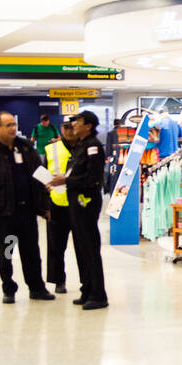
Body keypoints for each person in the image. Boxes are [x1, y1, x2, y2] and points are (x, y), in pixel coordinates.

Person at [0, 111, 55, 304]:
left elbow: (40, 176)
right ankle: (8, 289)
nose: (13, 128)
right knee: (6, 253)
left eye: (14, 125)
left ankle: (36, 288)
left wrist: (45, 205)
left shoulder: (25, 149)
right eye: (8, 125)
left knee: (31, 253)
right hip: (5, 215)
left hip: (27, 213)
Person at [51, 110, 107, 309]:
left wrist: (65, 181)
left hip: (86, 202)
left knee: (90, 248)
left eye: (78, 122)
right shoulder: (81, 145)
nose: (74, 125)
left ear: (89, 126)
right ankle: (87, 290)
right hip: (75, 202)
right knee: (82, 249)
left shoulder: (93, 146)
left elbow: (93, 178)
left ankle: (99, 295)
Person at [43, 119, 85, 295]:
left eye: (72, 128)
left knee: (83, 247)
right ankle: (58, 280)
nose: (69, 131)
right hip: (57, 204)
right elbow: (42, 174)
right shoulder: (51, 149)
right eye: (66, 128)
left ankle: (86, 281)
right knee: (56, 246)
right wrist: (45, 204)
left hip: (80, 205)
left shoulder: (85, 147)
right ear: (61, 129)